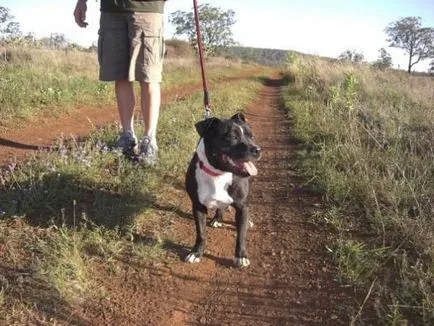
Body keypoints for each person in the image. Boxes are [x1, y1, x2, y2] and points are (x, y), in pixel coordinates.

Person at [73, 0, 166, 165]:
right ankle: (128, 135)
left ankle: (149, 139)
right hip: (111, 9)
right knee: (120, 75)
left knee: (148, 76)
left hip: (146, 7)